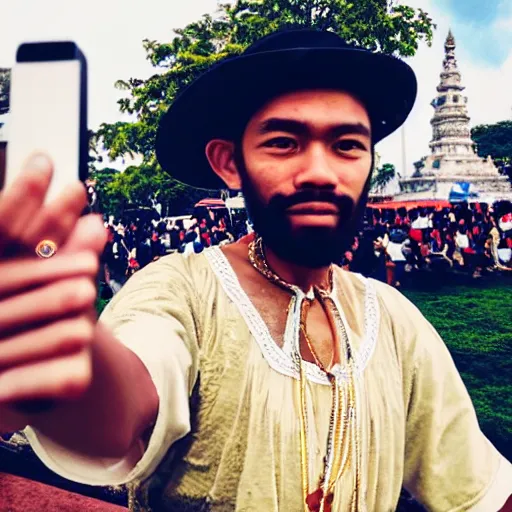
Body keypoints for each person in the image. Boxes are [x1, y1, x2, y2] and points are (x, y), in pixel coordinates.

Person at [0, 30, 510, 512]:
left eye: (348, 145)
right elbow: (125, 405)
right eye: (283, 143)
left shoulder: (395, 321)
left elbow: (476, 487)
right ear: (228, 163)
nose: (320, 171)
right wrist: (67, 359)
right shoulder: (182, 290)